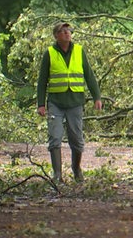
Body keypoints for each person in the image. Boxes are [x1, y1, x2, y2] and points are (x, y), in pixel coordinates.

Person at [37, 22, 102, 182]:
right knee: (55, 137)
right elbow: (42, 80)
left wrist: (97, 97)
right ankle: (57, 174)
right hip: (56, 103)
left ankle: (76, 168)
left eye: (68, 30)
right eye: (63, 31)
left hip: (75, 102)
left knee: (76, 138)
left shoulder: (79, 51)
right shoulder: (50, 53)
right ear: (56, 35)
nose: (67, 33)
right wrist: (41, 104)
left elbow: (89, 76)